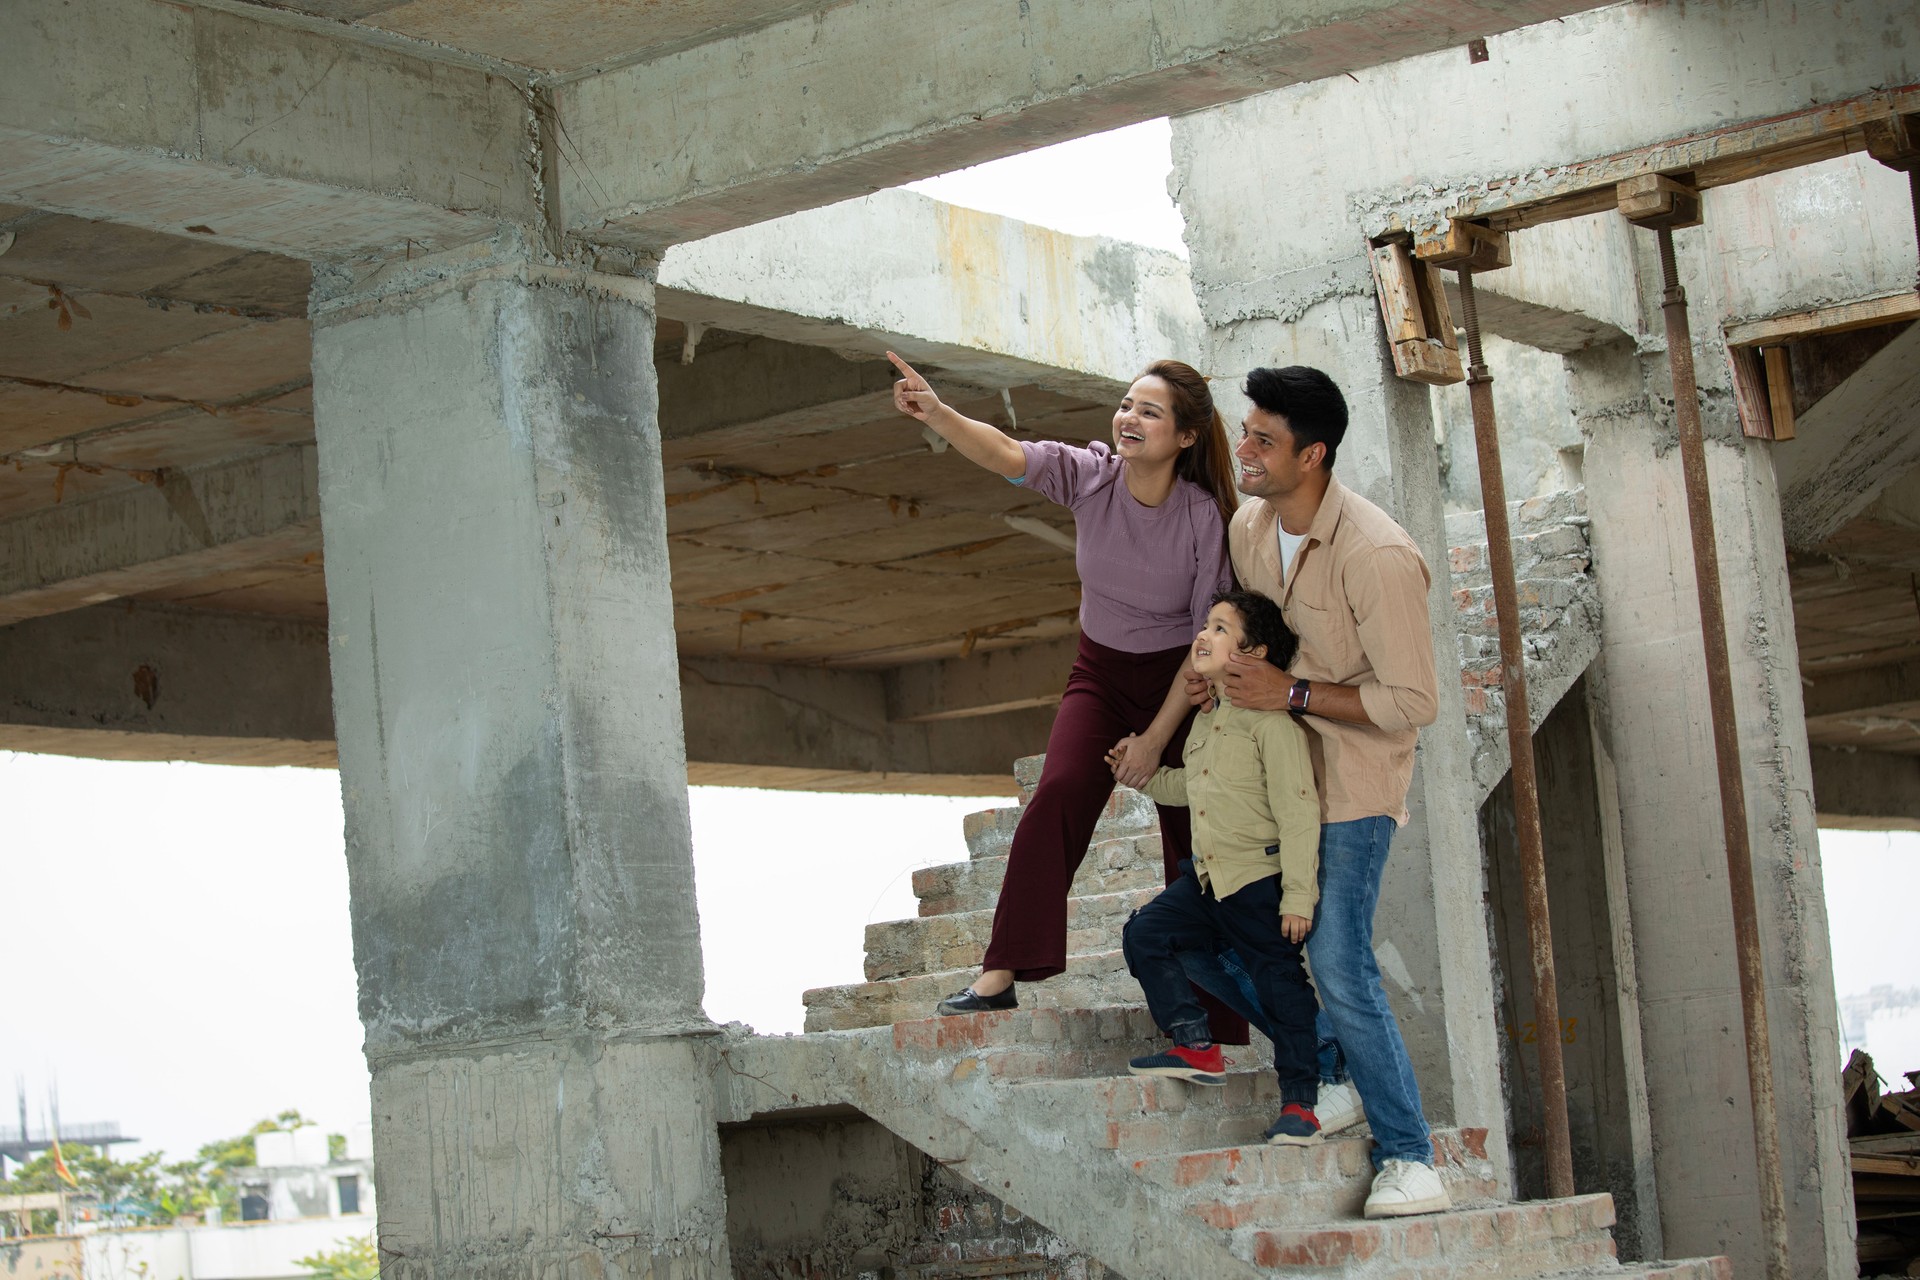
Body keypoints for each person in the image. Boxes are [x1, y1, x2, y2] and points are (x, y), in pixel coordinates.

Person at [883, 351, 1240, 1026]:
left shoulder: (1202, 518)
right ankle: (1000, 973)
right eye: (1128, 404)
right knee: (1057, 794)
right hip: (1100, 673)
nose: (1129, 418)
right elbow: (1004, 454)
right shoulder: (1091, 477)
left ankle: (1216, 1018)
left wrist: (1156, 740)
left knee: (1196, 837)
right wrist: (937, 410)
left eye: (1150, 412)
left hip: (1181, 687)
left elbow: (1204, 649)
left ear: (1186, 437)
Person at [1211, 365, 1450, 1219]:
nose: (1243, 449)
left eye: (1262, 440)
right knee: (1218, 939)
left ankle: (1412, 1157)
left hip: (1351, 785)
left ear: (1312, 456)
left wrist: (1294, 695)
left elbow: (1413, 702)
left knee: (1336, 955)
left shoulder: (1377, 555)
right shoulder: (1249, 527)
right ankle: (1337, 1068)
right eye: (1245, 431)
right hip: (1270, 789)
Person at [1117, 590, 1324, 1146]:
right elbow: (1196, 784)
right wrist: (1145, 778)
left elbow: (1298, 809)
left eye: (1220, 629)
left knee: (1282, 989)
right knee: (1146, 933)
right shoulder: (1207, 721)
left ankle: (1302, 1104)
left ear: (1253, 654)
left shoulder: (1272, 726)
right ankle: (1195, 1042)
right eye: (1205, 625)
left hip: (1258, 882)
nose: (1202, 636)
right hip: (1209, 879)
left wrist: (1299, 896)